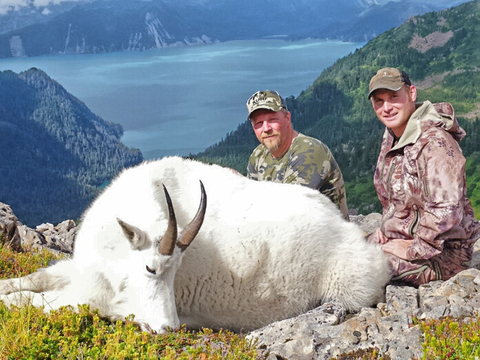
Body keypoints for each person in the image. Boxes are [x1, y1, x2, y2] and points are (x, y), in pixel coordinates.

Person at [367, 67, 480, 286]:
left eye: (393, 97)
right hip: (409, 239)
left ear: (412, 93)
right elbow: (396, 198)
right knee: (345, 249)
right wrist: (386, 228)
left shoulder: (434, 142)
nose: (386, 107)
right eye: (379, 101)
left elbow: (446, 208)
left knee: (359, 269)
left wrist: (414, 249)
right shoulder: (395, 134)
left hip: (446, 254)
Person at [245, 90, 349, 220]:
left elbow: (289, 211)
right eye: (258, 123)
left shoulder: (309, 151)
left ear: (287, 118)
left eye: (272, 120)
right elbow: (249, 204)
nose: (266, 129)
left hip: (324, 236)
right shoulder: (258, 155)